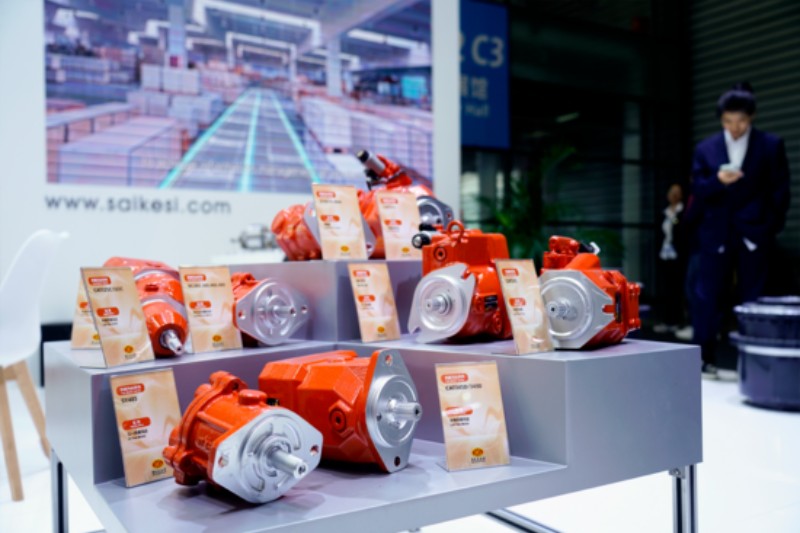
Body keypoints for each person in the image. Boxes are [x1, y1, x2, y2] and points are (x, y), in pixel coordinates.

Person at [689, 82, 791, 378]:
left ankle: (755, 362)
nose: (735, 127)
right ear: (721, 119)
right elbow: (698, 190)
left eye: (741, 121)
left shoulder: (771, 145)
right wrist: (718, 181)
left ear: (752, 117)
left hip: (754, 231)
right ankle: (702, 359)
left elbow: (780, 191)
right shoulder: (705, 148)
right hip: (715, 231)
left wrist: (768, 228)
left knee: (754, 298)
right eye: (728, 121)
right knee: (707, 296)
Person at [655, 183, 687, 333]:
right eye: (671, 192)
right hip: (665, 255)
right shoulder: (665, 212)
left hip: (678, 256)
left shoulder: (683, 211)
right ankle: (666, 320)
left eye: (677, 192)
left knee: (677, 290)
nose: (673, 195)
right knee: (666, 289)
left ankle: (677, 321)